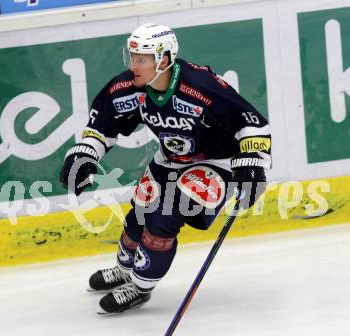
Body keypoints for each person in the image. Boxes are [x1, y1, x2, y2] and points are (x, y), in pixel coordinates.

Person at [59, 23, 271, 314]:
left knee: (165, 216)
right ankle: (125, 268)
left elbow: (250, 121)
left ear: (164, 59)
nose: (134, 65)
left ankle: (140, 286)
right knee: (141, 210)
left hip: (216, 163)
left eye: (142, 59)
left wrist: (253, 163)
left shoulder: (201, 86)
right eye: (132, 57)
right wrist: (85, 154)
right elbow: (102, 124)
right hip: (170, 159)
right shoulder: (129, 88)